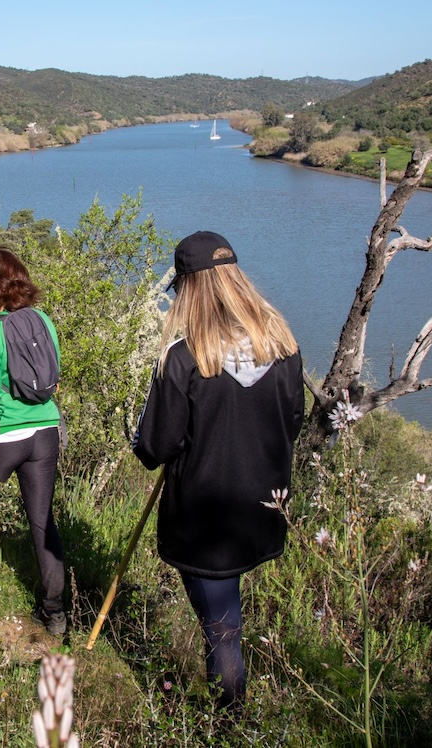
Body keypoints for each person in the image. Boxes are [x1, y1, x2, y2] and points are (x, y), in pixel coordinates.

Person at [131, 230, 305, 711]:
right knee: (228, 620)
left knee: (223, 634)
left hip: (204, 522)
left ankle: (226, 727)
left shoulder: (184, 359)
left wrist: (140, 434)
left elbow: (154, 448)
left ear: (188, 288)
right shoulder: (283, 346)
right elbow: (293, 424)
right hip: (263, 511)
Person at [0, 248, 67, 636]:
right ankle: (54, 613)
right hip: (45, 432)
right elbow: (53, 379)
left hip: (6, 436)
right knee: (43, 522)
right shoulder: (43, 320)